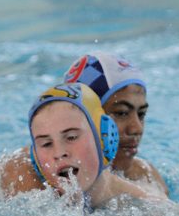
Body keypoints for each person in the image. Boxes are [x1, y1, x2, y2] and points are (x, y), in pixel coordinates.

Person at [0, 82, 164, 209]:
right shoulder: (25, 200)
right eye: (46, 143)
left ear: (104, 138)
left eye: (71, 137)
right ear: (35, 156)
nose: (59, 153)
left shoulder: (146, 205)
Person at [63, 52, 169, 196]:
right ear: (83, 116)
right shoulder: (32, 172)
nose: (136, 129)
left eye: (141, 114)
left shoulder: (145, 175)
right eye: (122, 113)